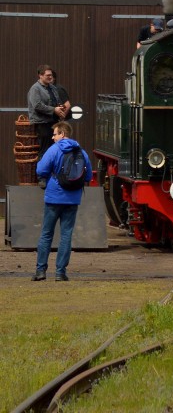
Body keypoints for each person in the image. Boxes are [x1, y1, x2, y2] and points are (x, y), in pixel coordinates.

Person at [32, 120, 93, 281]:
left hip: (53, 198)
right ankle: (60, 272)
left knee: (46, 234)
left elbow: (41, 169)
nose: (52, 138)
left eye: (55, 134)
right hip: (72, 199)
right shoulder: (81, 152)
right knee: (66, 235)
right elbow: (88, 176)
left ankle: (40, 271)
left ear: (62, 134)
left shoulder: (54, 150)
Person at [27, 65, 68, 155]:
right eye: (48, 75)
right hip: (42, 124)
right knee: (44, 151)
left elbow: (57, 102)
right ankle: (42, 168)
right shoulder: (35, 88)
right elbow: (37, 105)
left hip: (53, 122)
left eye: (51, 75)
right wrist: (54, 110)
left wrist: (61, 109)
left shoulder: (52, 87)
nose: (50, 77)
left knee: (54, 150)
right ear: (40, 75)